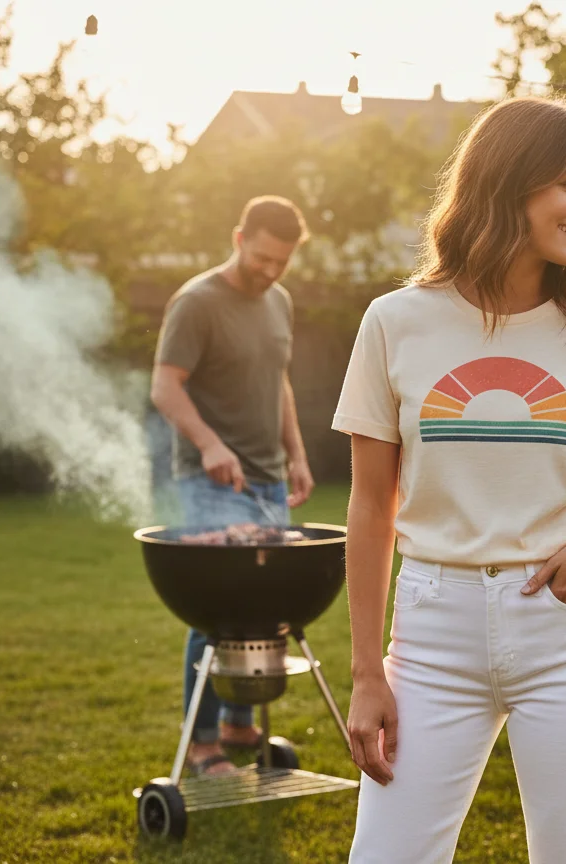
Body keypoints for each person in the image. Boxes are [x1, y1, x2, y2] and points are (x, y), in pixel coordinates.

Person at [333, 96, 566, 863]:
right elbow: (369, 503)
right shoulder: (394, 321)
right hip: (429, 633)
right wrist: (366, 673)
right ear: (507, 181)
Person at [150, 195, 316, 776]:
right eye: (263, 257)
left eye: (282, 262)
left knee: (261, 607)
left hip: (267, 480)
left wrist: (295, 453)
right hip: (210, 480)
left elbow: (280, 382)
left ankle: (239, 725)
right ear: (238, 236)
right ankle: (202, 745)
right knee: (217, 614)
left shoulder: (280, 302)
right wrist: (209, 443)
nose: (270, 271)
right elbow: (166, 388)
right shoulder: (197, 303)